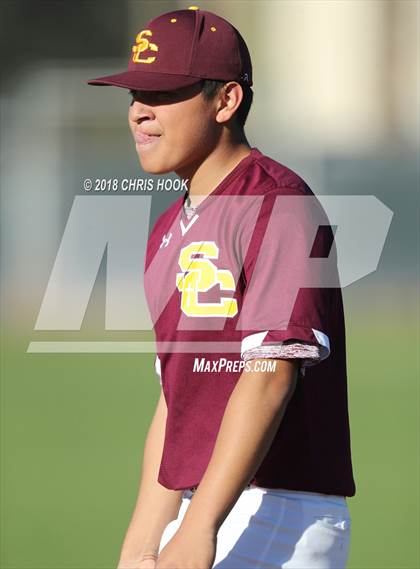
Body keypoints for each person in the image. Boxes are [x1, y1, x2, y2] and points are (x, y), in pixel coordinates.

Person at [88, 6, 356, 569]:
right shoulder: (168, 229)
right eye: (135, 96)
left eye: (163, 95)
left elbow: (269, 375)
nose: (140, 112)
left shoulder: (277, 205)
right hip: (200, 506)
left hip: (278, 506)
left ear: (226, 100)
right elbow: (176, 404)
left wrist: (200, 526)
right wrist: (142, 542)